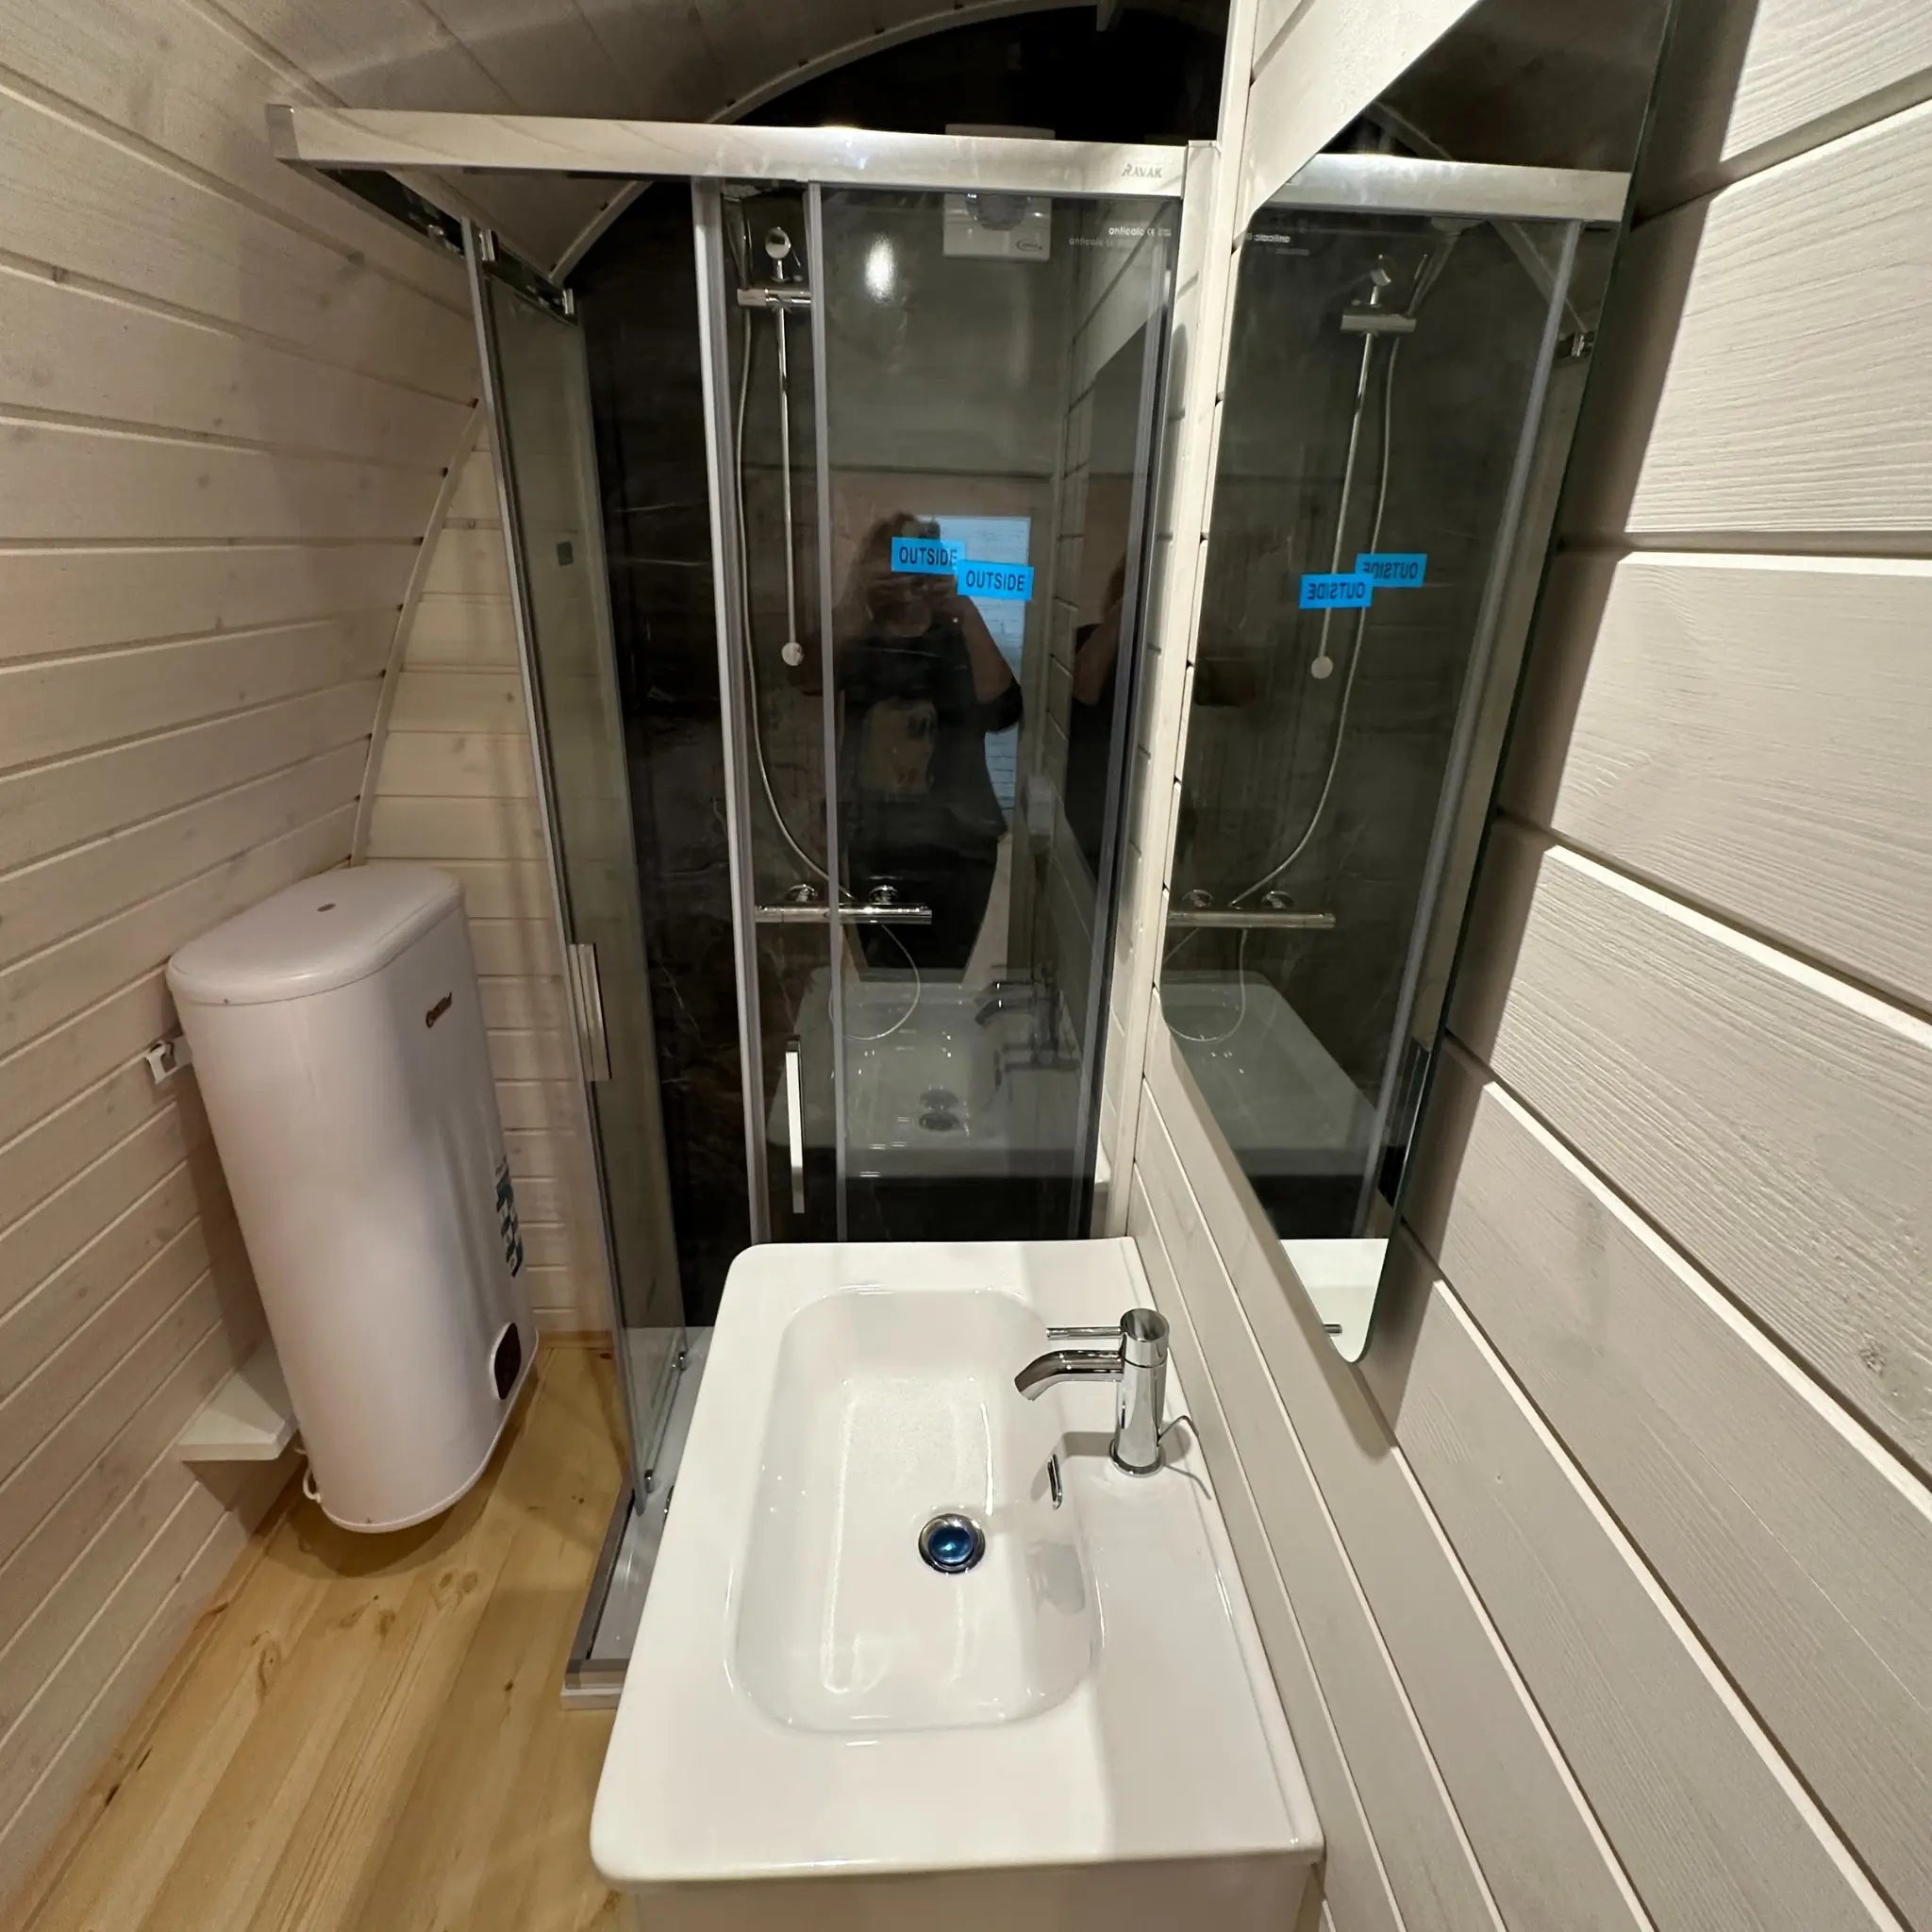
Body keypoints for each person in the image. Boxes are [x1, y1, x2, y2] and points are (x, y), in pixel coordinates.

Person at [834, 512, 1024, 969]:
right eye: (895, 569)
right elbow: (799, 674)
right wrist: (859, 599)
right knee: (883, 977)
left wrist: (965, 607)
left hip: (956, 844)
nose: (908, 582)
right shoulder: (858, 644)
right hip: (876, 840)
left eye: (918, 567)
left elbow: (1004, 712)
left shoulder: (959, 639)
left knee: (948, 977)